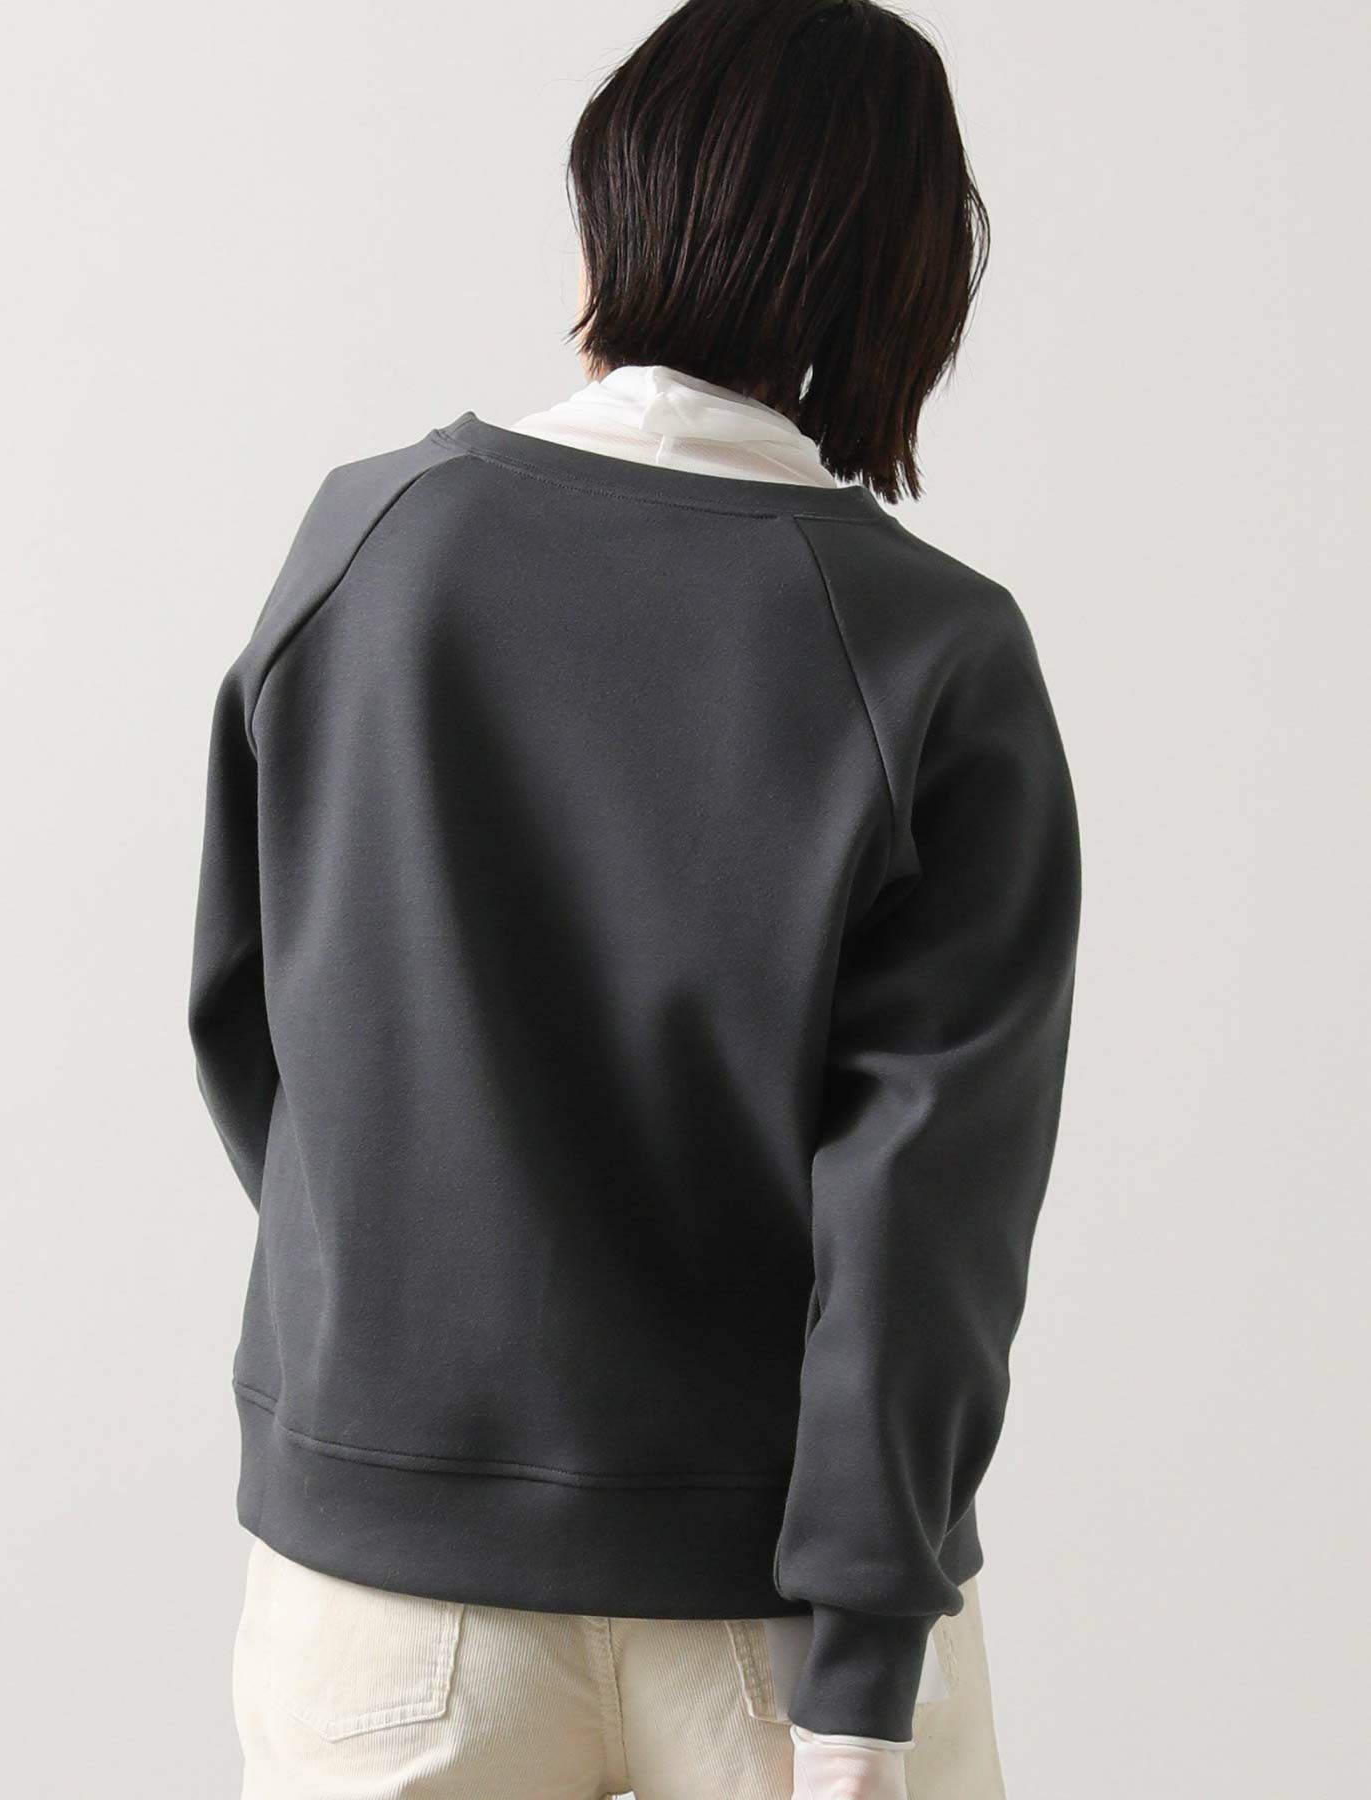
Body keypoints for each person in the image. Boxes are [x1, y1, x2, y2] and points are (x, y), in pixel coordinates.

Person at [188, 3, 1081, 1797]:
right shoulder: (929, 648)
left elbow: (253, 1018)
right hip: (782, 1630)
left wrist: (413, 1372)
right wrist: (861, 1683)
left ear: (616, 221)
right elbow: (929, 1220)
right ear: (904, 292)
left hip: (385, 1600)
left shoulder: (371, 545)